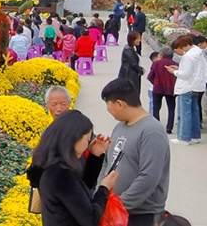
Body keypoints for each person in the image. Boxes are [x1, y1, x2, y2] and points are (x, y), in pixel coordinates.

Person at [26, 110, 117, 226]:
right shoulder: (61, 175)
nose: (87, 145)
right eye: (87, 140)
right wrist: (104, 188)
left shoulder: (52, 164)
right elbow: (90, 219)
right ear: (74, 138)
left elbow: (81, 190)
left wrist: (94, 156)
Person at [99, 78, 170, 226]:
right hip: (115, 210)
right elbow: (108, 162)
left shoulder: (151, 132)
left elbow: (148, 177)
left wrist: (119, 204)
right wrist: (101, 194)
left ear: (120, 104)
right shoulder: (120, 127)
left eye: (108, 105)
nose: (108, 111)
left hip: (141, 215)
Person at [166, 35, 206, 145]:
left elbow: (186, 74)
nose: (177, 53)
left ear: (181, 47)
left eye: (176, 50)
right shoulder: (198, 51)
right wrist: (179, 68)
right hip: (197, 85)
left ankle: (184, 137)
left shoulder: (187, 57)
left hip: (186, 86)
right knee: (194, 112)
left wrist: (174, 72)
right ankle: (194, 136)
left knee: (185, 113)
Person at [148, 47, 177, 134]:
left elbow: (150, 76)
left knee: (156, 108)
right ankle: (169, 128)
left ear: (162, 55)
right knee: (171, 108)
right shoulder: (175, 64)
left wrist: (155, 83)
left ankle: (156, 127)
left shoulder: (156, 64)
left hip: (158, 88)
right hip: (171, 88)